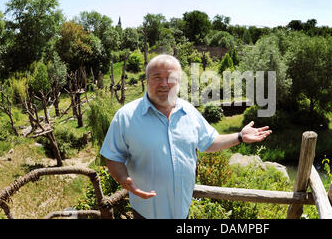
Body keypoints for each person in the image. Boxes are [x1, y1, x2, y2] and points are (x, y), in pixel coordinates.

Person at [100, 54, 272, 219]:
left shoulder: (189, 111)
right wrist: (125, 180)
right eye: (157, 77)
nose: (164, 83)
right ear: (147, 81)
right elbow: (113, 156)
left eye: (171, 78)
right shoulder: (125, 116)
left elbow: (209, 142)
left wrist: (240, 136)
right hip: (146, 213)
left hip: (182, 211)